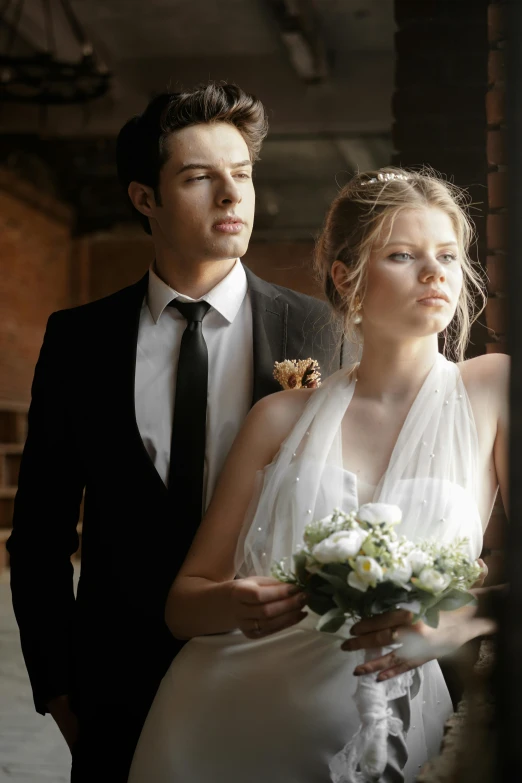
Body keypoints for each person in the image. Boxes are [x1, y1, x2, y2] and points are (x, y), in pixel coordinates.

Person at [6, 82, 341, 783]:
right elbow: (39, 532)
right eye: (199, 177)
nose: (232, 195)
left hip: (270, 673)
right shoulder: (79, 341)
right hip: (116, 686)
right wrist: (59, 690)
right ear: (144, 198)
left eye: (242, 175)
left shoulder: (317, 329)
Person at [128, 167, 508, 783]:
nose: (435, 273)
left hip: (393, 721)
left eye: (447, 255)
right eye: (403, 255)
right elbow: (183, 606)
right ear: (347, 276)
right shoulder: (279, 417)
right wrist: (234, 600)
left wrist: (460, 620)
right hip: (221, 723)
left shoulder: (494, 387)